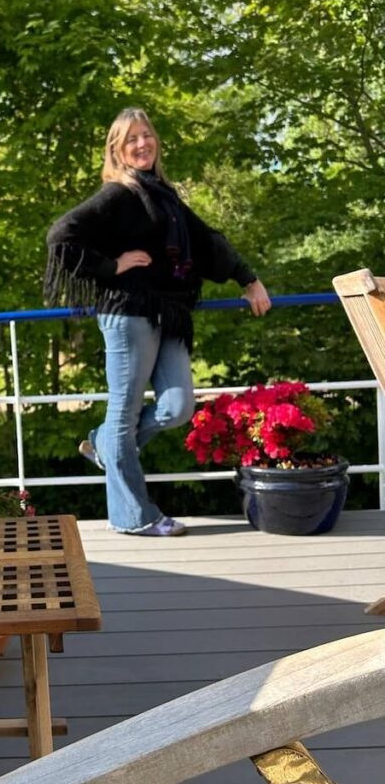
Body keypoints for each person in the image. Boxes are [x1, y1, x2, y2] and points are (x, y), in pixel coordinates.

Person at [44, 107, 271, 537]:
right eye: (132, 139)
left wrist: (249, 280)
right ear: (117, 149)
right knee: (124, 412)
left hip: (169, 313)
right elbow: (61, 235)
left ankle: (106, 443)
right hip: (127, 312)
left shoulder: (164, 196)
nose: (142, 144)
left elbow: (206, 240)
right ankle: (135, 516)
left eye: (147, 136)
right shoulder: (119, 194)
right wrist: (111, 266)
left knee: (178, 406)